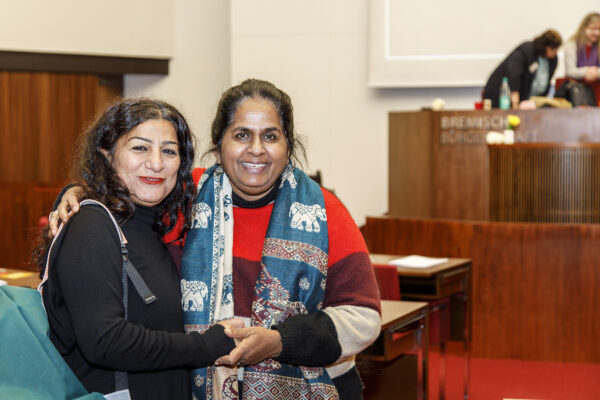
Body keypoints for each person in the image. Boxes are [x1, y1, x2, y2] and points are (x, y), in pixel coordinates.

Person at [51, 79, 382, 399]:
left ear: (288, 146)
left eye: (270, 136)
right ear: (218, 145)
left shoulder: (325, 211)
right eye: (241, 135)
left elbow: (363, 320)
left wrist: (282, 341)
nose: (256, 149)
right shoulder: (185, 199)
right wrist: (79, 194)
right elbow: (127, 197)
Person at [35, 98, 241, 400]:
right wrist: (206, 346)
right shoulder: (91, 226)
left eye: (169, 151)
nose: (156, 163)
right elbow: (105, 341)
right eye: (140, 148)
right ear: (107, 153)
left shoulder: (158, 225)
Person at [482, 29, 562, 108]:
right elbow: (513, 74)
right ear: (544, 45)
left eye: (557, 49)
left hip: (527, 103)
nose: (555, 52)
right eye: (552, 49)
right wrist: (515, 103)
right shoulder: (527, 50)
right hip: (500, 94)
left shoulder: (553, 60)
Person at [564, 12, 600, 83]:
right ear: (584, 28)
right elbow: (570, 71)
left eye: (599, 29)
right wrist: (586, 72)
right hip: (576, 89)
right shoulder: (571, 44)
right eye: (593, 29)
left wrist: (596, 73)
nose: (597, 33)